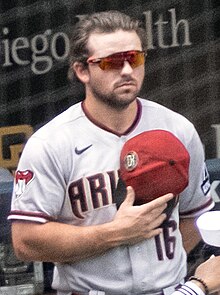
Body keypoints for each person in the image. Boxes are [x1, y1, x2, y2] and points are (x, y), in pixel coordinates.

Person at [8, 10, 215, 295]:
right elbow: (25, 242)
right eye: (112, 62)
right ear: (82, 70)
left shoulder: (177, 129)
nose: (127, 70)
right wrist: (114, 234)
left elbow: (194, 214)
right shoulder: (51, 142)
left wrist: (158, 264)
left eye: (135, 58)